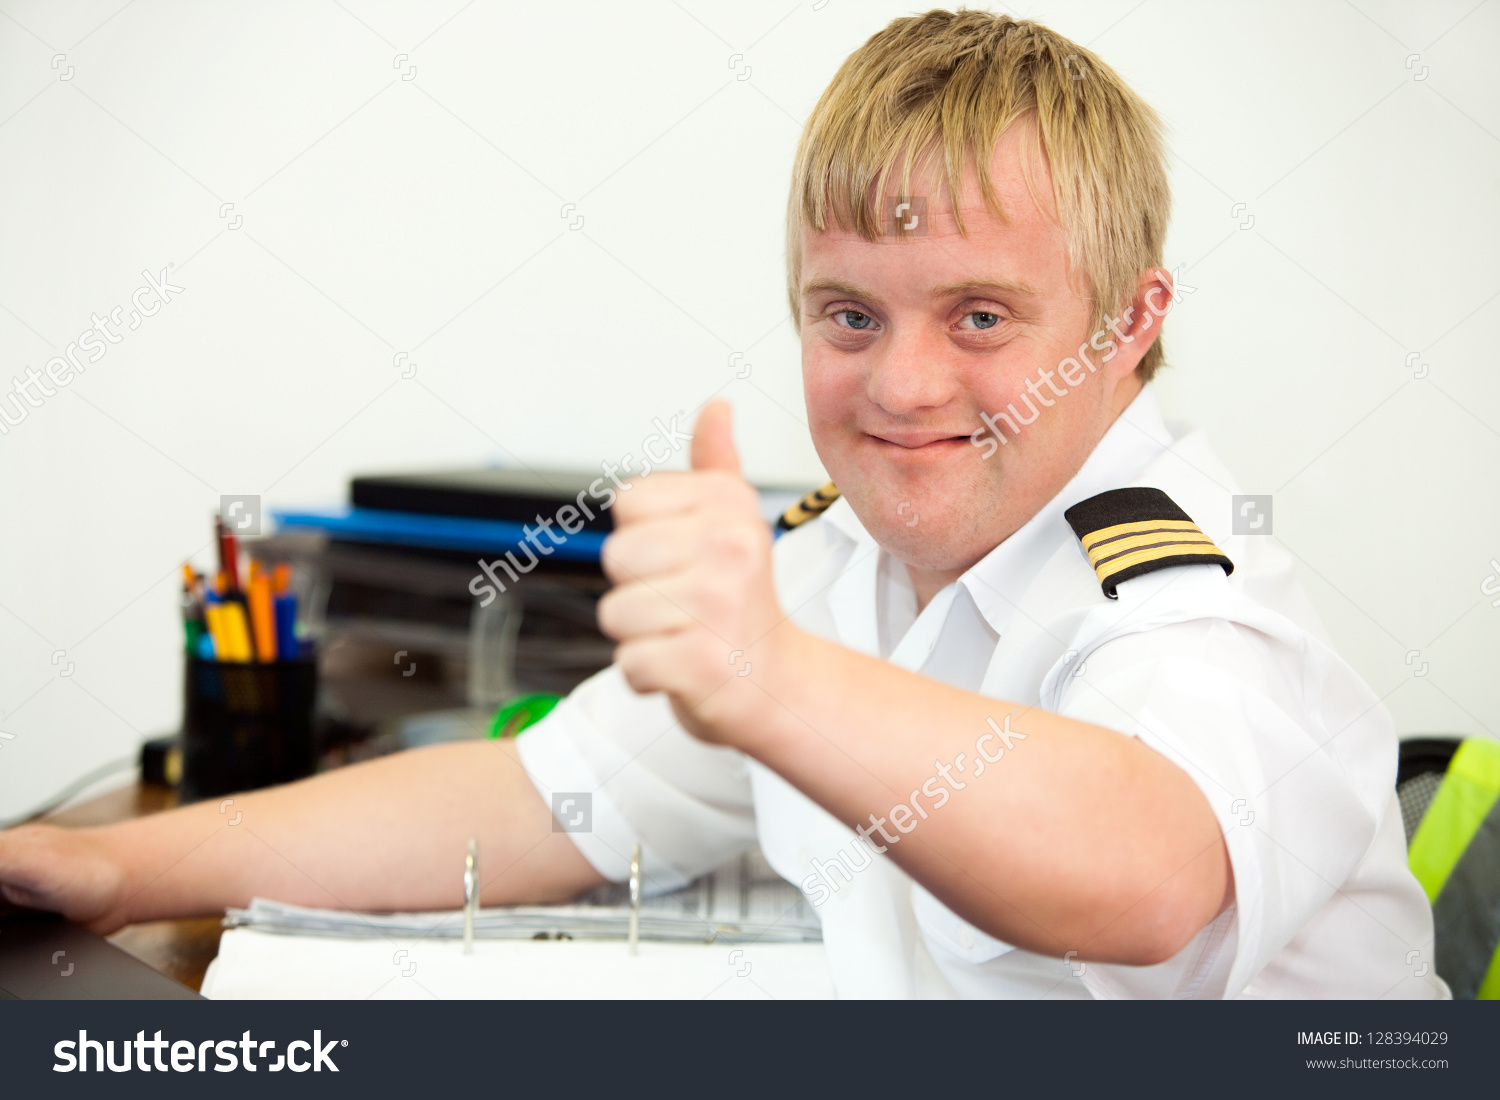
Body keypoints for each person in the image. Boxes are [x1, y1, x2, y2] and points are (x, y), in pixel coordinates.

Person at [0, 10, 1440, 998]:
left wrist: (775, 681)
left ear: (1131, 323)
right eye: (849, 316)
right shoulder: (840, 562)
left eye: (984, 315)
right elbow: (546, 800)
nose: (903, 384)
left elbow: (1150, 872)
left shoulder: (1195, 596)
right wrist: (118, 868)